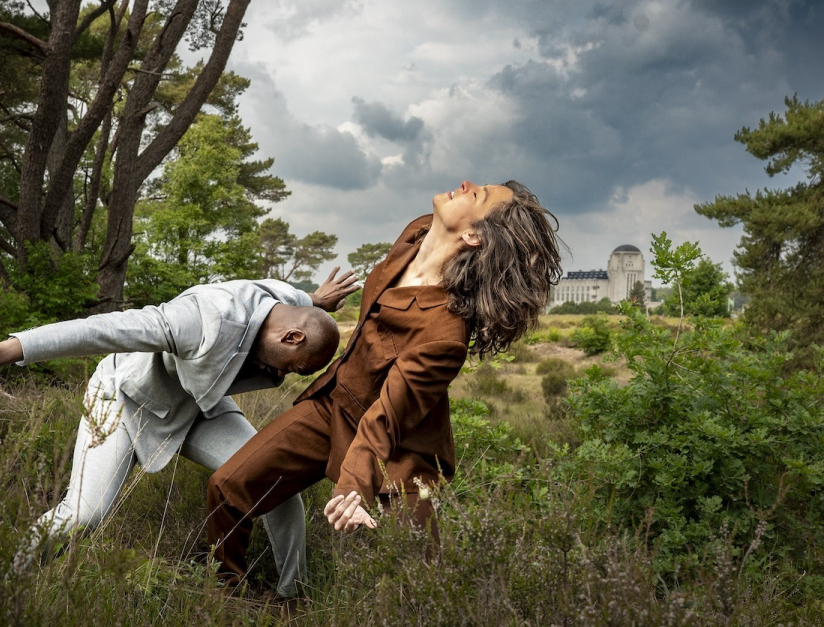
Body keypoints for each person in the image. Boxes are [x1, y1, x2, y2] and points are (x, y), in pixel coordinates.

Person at [206, 180, 561, 585]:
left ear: (473, 235)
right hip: (334, 404)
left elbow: (385, 417)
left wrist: (352, 486)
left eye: (477, 194)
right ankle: (225, 597)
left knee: (419, 574)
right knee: (227, 486)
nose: (466, 184)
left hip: (399, 448)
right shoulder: (417, 232)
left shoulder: (445, 335)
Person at [0, 274, 359, 598]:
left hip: (196, 405)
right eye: (293, 365)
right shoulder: (200, 319)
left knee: (276, 486)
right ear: (291, 336)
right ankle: (0, 588)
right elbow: (98, 329)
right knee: (84, 513)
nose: (282, 376)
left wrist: (317, 299)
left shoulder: (282, 303)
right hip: (126, 398)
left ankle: (290, 599)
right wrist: (0, 352)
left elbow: (301, 301)